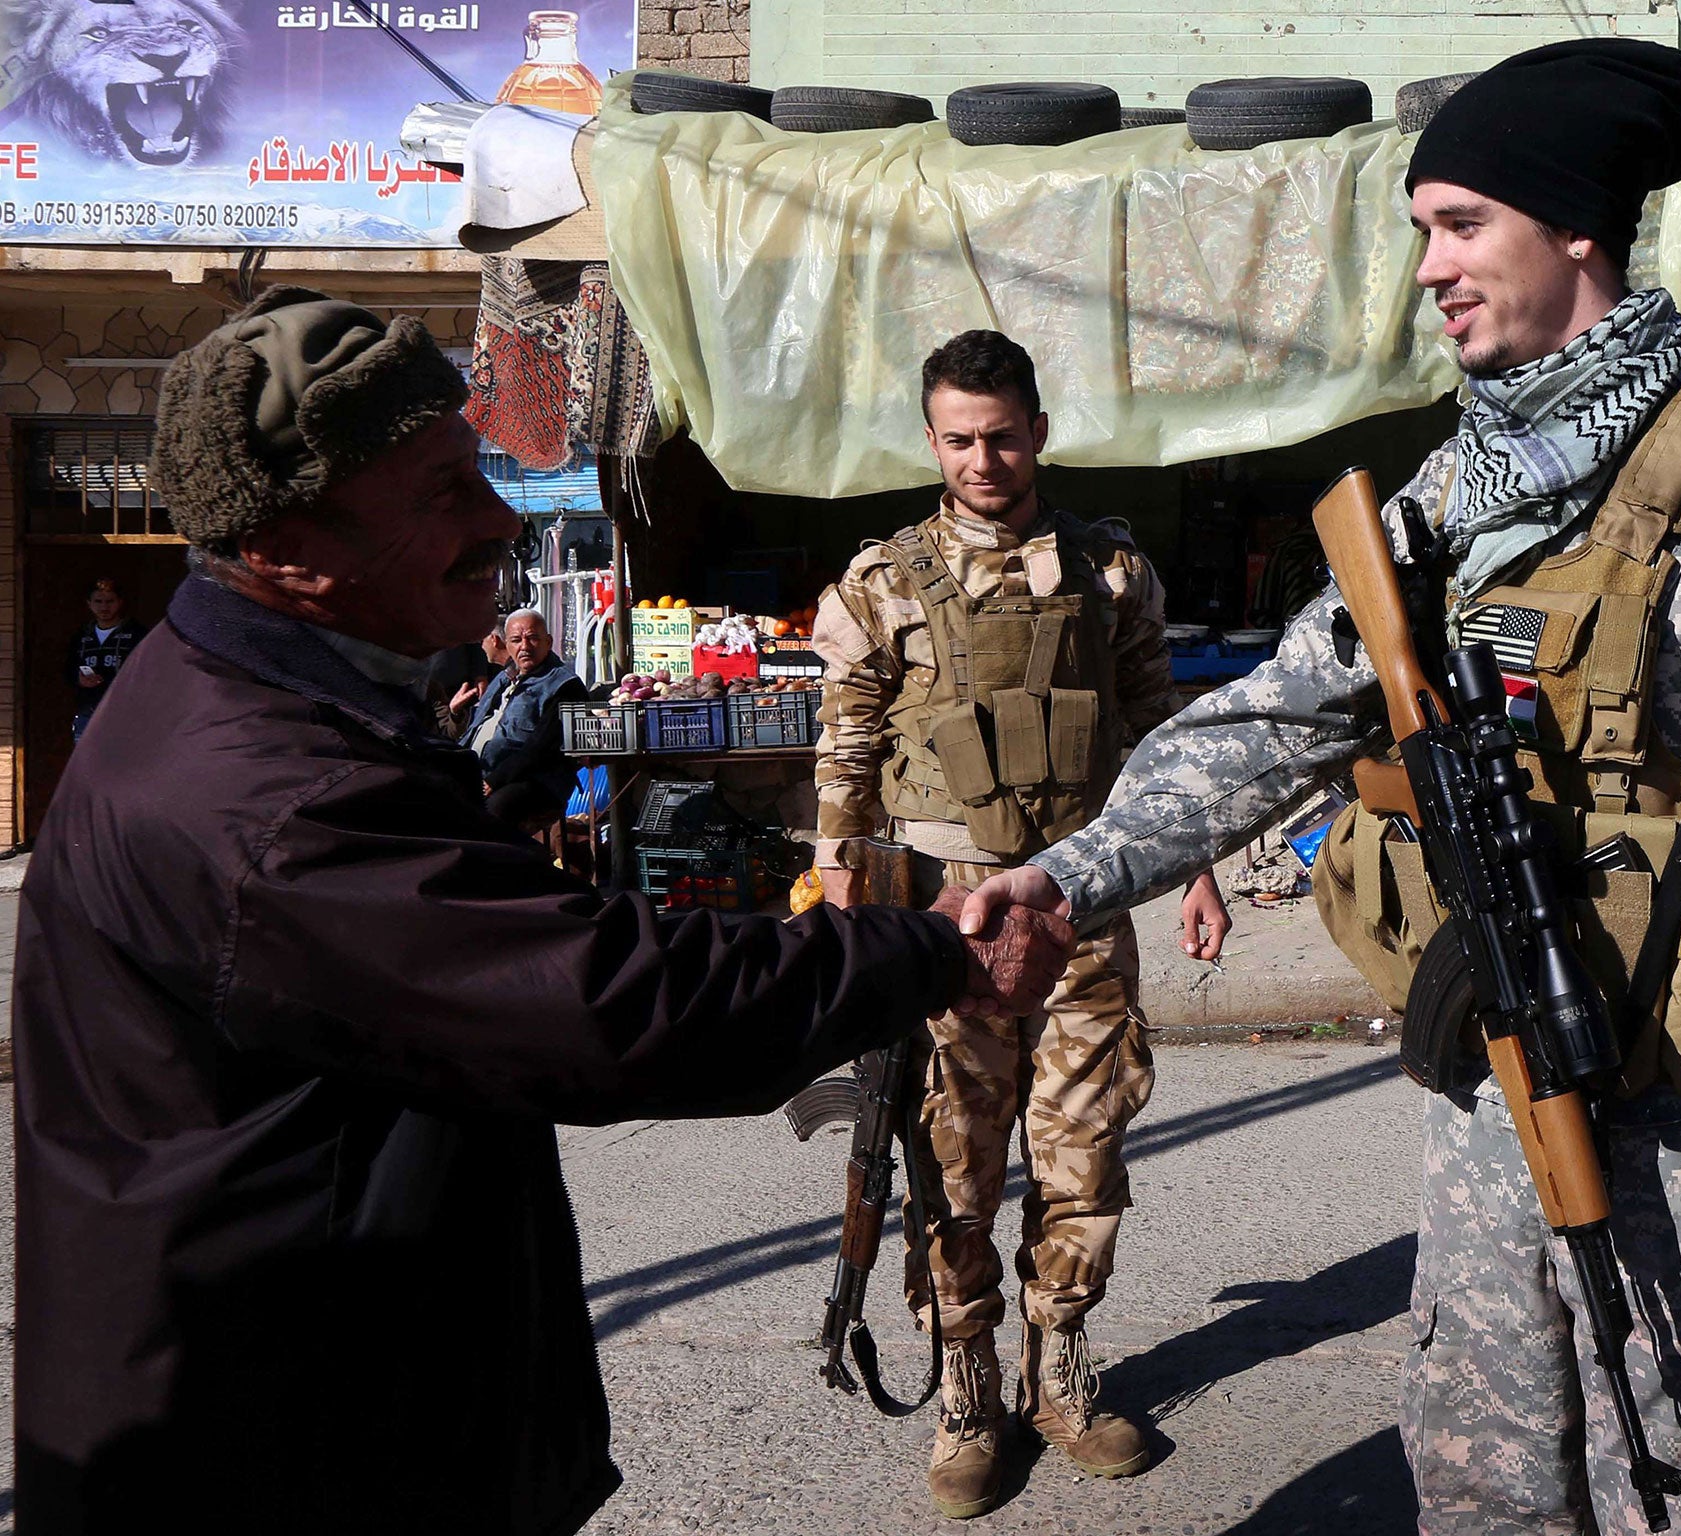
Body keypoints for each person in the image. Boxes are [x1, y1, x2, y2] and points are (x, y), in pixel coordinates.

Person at [964, 40, 1681, 1536]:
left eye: (1459, 223)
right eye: (1421, 228)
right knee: (1491, 1483)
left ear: (1573, 231)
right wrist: (1074, 873)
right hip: (1499, 1094)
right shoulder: (1443, 503)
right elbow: (1273, 722)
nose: (1427, 265)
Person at [11, 287, 1076, 1536]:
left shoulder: (265, 693)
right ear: (292, 551)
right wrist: (921, 951)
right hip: (288, 1453)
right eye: (441, 495)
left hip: (317, 1397)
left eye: (477, 472)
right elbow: (610, 1002)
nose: (497, 521)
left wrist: (481, 800)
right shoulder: (271, 803)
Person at [811, 329, 1230, 1518]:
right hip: (944, 915)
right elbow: (845, 743)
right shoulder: (883, 579)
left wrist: (1191, 865)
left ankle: (1058, 1365)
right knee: (951, 1157)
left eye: (1001, 436)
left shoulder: (1108, 571)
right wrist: (840, 885)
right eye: (958, 439)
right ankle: (967, 1383)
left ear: (1037, 431)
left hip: (1083, 904)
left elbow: (1157, 733)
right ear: (932, 440)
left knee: (1083, 1144)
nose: (982, 459)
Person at [459, 607, 587, 825]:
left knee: (490, 813)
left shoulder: (565, 685)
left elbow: (540, 748)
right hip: (480, 772)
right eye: (516, 640)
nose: (525, 647)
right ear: (507, 645)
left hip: (535, 781)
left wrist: (493, 781)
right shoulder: (503, 678)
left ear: (548, 641)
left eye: (533, 639)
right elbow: (475, 727)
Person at [68, 577, 148, 741]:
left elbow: (149, 671)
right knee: (88, 763)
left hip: (125, 712)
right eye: (98, 601)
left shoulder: (136, 634)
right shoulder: (82, 635)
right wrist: (79, 679)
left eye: (109, 601)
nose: (104, 607)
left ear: (119, 602)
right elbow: (68, 667)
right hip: (89, 710)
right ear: (89, 603)